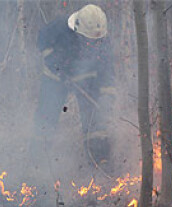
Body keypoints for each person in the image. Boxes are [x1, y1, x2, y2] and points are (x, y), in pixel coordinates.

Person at [32, 4, 115, 172]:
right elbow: (42, 43)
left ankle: (99, 162)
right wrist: (57, 65)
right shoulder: (58, 29)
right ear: (78, 30)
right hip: (55, 79)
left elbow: (107, 71)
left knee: (95, 119)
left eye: (96, 41)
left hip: (87, 80)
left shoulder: (103, 42)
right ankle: (37, 162)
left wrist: (107, 96)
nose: (93, 44)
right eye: (89, 40)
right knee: (46, 117)